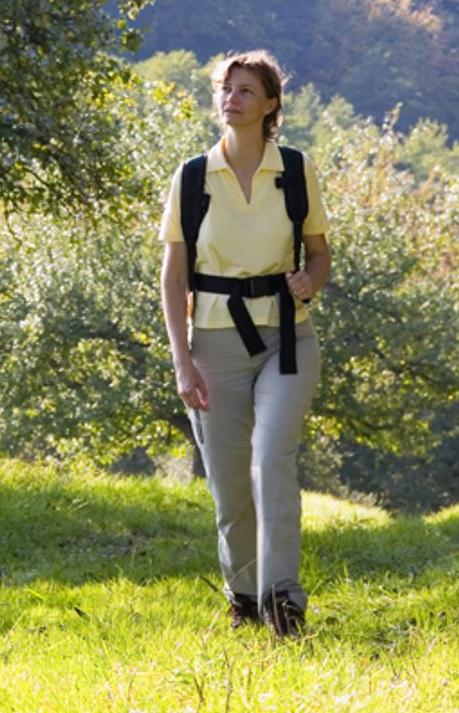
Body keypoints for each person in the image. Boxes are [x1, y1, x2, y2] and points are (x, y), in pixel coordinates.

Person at [159, 49, 331, 637]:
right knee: (230, 483)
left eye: (245, 91)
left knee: (270, 461)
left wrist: (312, 279)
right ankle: (244, 598)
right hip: (212, 343)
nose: (231, 99)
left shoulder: (295, 169)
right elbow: (173, 277)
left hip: (288, 337)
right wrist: (183, 361)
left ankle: (284, 602)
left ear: (270, 105)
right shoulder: (190, 177)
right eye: (225, 89)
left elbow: (319, 252)